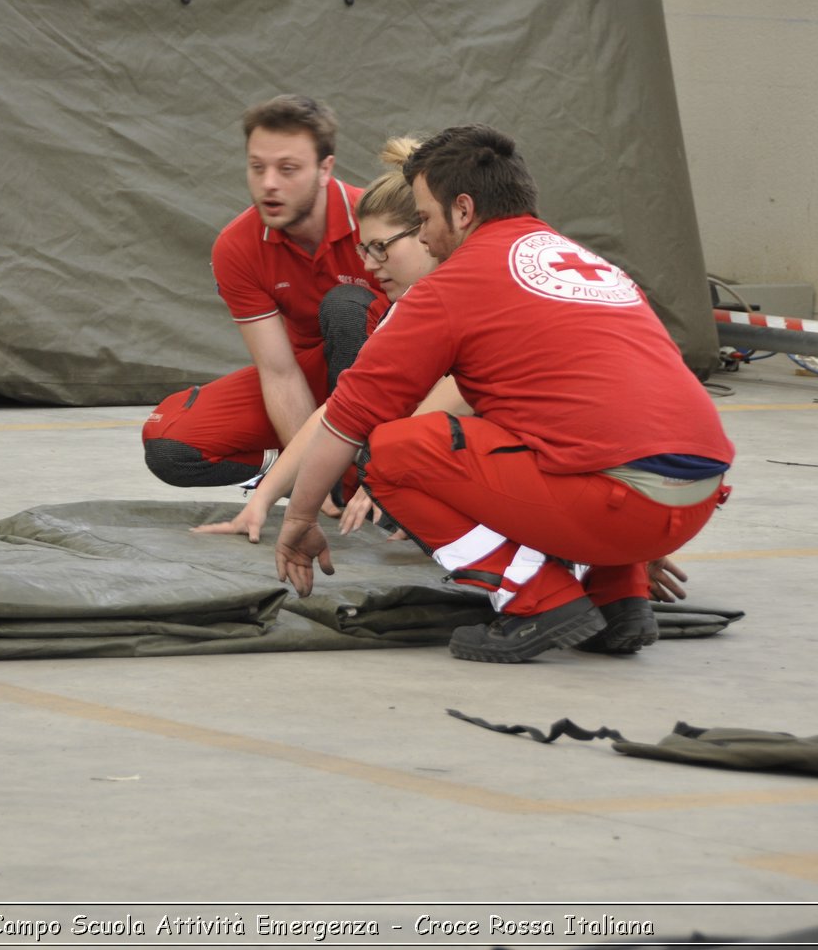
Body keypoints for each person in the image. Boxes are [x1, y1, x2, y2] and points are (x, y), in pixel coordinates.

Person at [273, 124, 734, 663]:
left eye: (423, 218)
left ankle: (537, 601)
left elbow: (347, 418)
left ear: (463, 210)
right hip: (698, 495)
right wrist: (647, 534)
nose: (422, 237)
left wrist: (299, 520)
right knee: (541, 428)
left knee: (393, 451)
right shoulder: (588, 262)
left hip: (619, 505)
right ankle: (618, 598)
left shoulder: (452, 286)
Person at [194, 136, 466, 542]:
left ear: (426, 228)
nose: (369, 265)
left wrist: (387, 473)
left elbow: (460, 397)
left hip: (563, 460)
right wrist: (266, 499)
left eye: (380, 248)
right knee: (174, 446)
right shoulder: (398, 308)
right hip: (478, 442)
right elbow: (344, 406)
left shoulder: (475, 288)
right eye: (363, 249)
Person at [142, 95, 382, 513]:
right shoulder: (236, 246)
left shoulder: (377, 219)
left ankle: (380, 476)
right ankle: (322, 480)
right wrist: (307, 475)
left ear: (325, 169)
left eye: (287, 169)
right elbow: (279, 371)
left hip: (392, 374)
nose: (269, 183)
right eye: (257, 167)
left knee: (346, 308)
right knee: (169, 444)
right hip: (315, 374)